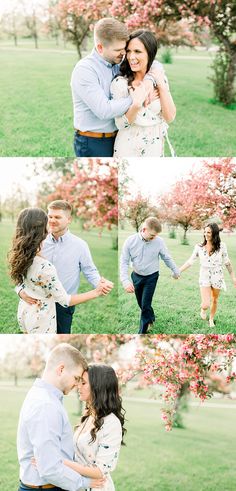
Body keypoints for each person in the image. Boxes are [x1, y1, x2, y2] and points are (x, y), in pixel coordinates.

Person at [17, 343, 105, 491]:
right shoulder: (45, 405)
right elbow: (49, 468)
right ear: (61, 369)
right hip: (47, 488)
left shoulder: (46, 397)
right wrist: (84, 483)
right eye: (76, 378)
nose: (78, 385)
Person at [9, 207, 111, 334]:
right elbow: (20, 272)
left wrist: (99, 284)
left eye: (57, 217)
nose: (52, 221)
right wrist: (19, 291)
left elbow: (90, 270)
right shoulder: (35, 243)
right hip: (35, 305)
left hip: (64, 306)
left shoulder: (80, 245)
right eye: (50, 217)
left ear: (69, 219)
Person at [71, 18, 157, 157]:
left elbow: (153, 63)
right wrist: (137, 98)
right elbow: (103, 110)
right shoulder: (85, 70)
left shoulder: (117, 60)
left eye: (125, 48)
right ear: (100, 48)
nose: (124, 54)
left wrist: (149, 81)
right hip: (93, 142)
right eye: (118, 50)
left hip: (118, 138)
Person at [110, 29, 176, 157]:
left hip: (154, 148)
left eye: (137, 51)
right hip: (127, 148)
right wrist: (136, 104)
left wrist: (161, 86)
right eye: (129, 51)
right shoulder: (120, 83)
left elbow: (170, 117)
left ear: (149, 54)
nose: (131, 57)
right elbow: (120, 124)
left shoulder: (158, 78)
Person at [62, 364, 126, 491]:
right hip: (80, 485)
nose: (78, 387)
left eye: (84, 383)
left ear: (98, 388)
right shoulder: (89, 415)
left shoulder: (111, 423)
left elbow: (99, 472)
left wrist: (60, 462)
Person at [120, 217, 180, 334]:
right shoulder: (130, 241)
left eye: (156, 235)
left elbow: (166, 257)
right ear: (144, 229)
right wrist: (125, 281)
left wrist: (175, 270)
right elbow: (124, 261)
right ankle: (151, 317)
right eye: (152, 235)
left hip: (151, 277)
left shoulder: (159, 241)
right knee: (141, 304)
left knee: (145, 304)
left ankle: (142, 332)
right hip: (136, 276)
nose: (155, 238)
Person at [179, 222, 236, 328]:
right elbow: (190, 261)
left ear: (214, 233)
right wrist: (179, 271)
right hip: (204, 275)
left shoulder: (222, 246)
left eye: (208, 232)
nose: (206, 234)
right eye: (205, 232)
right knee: (206, 303)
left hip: (217, 275)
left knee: (214, 299)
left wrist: (233, 276)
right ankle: (203, 309)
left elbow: (227, 262)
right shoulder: (199, 247)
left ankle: (211, 319)